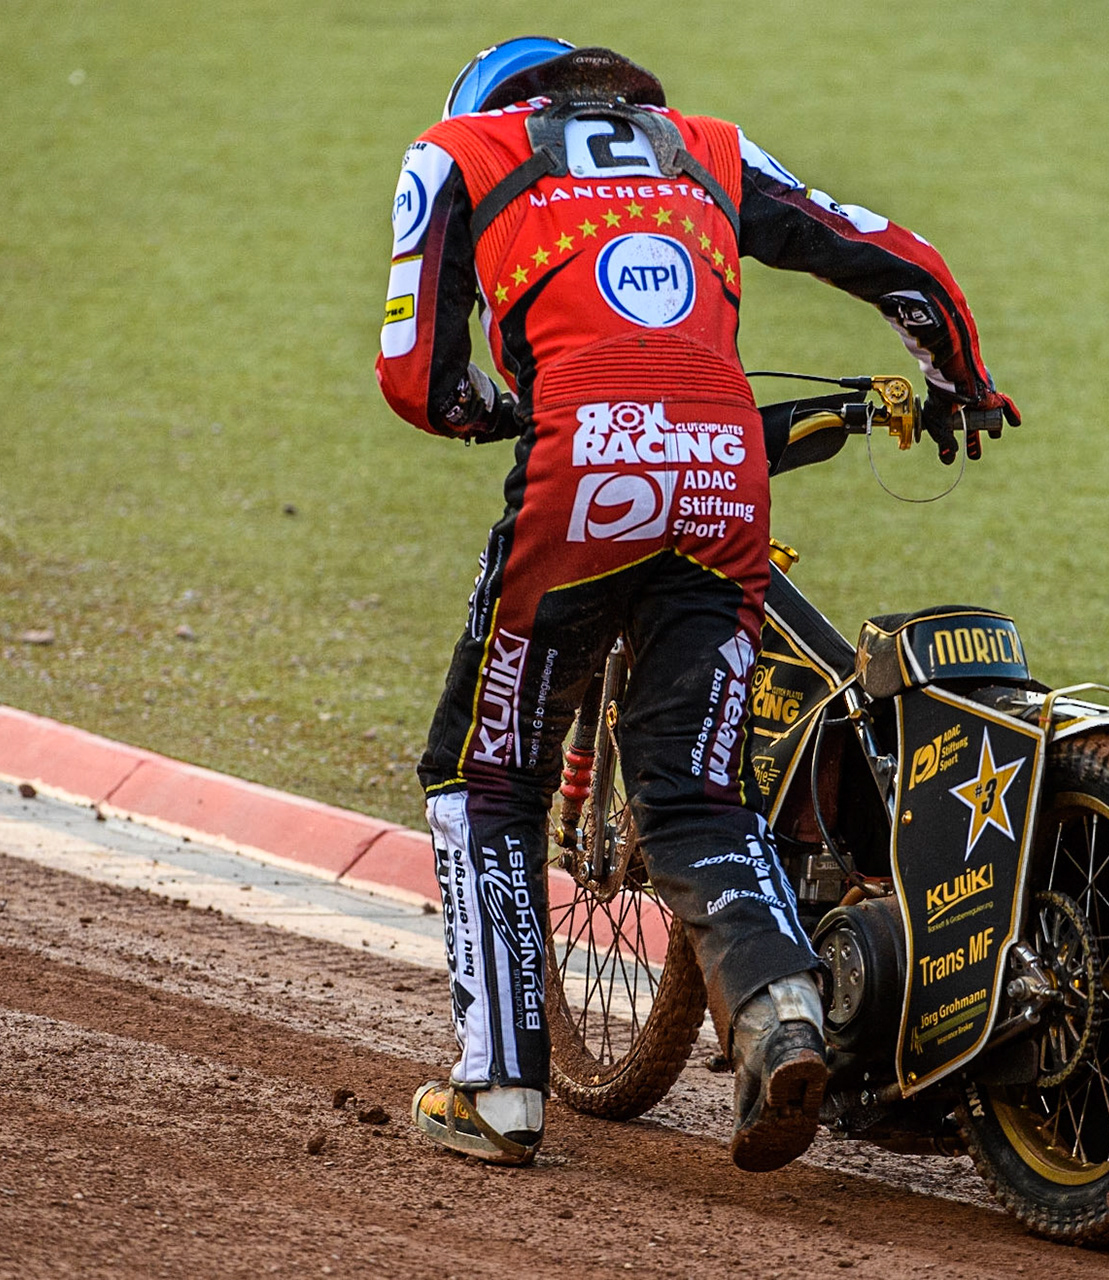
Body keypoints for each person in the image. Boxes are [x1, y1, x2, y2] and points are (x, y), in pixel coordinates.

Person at [375, 37, 1019, 1171]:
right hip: (726, 477)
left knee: (483, 773)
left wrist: (489, 411)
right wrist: (959, 376)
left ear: (490, 105)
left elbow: (416, 377)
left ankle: (501, 1091)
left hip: (582, 476)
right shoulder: (707, 148)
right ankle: (781, 1012)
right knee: (693, 790)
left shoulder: (456, 151)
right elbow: (881, 250)